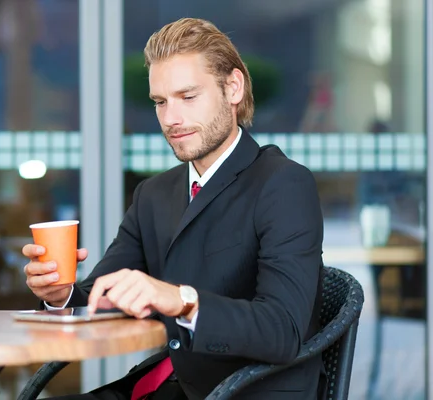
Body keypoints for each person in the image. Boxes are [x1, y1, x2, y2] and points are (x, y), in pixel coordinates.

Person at [23, 17, 325, 400]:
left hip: (242, 391)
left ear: (233, 88)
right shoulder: (154, 194)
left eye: (188, 97)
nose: (171, 119)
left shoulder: (282, 184)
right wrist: (60, 293)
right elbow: (99, 300)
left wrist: (180, 300)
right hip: (168, 385)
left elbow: (283, 330)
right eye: (160, 102)